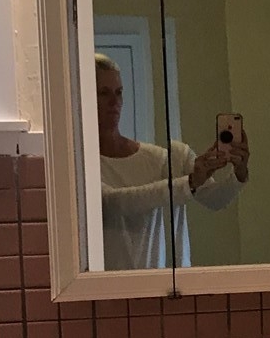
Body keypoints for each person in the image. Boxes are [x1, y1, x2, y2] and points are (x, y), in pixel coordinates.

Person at [94, 54, 249, 270]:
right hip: (106, 290)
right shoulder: (82, 166)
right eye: (104, 93)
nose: (114, 102)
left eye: (119, 93)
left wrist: (239, 172)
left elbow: (216, 200)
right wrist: (189, 183)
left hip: (165, 290)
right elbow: (114, 203)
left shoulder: (171, 158)